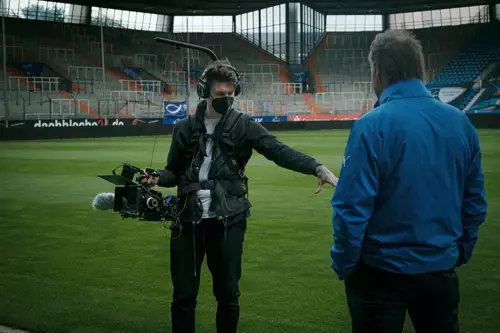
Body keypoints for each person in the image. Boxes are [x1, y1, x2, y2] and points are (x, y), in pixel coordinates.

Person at [143, 59, 338, 333]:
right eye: (220, 95)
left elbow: (278, 151)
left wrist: (316, 167)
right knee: (184, 296)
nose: (227, 99)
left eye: (231, 94)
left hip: (229, 220)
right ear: (205, 91)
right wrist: (157, 177)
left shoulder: (244, 125)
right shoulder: (185, 128)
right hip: (187, 221)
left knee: (228, 295)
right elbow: (173, 172)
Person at [330, 30, 487, 333]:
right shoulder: (461, 123)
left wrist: (345, 264)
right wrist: (459, 252)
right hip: (440, 271)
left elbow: (351, 208)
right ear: (420, 69)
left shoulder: (371, 125)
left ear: (377, 72)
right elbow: (475, 202)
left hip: (379, 274)